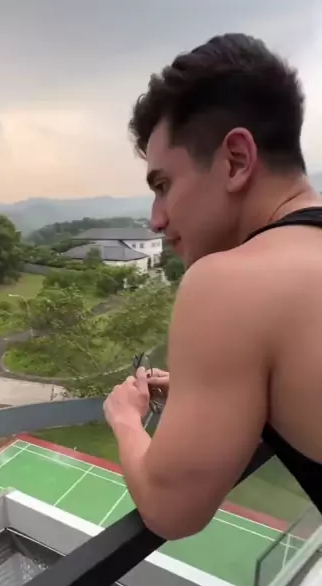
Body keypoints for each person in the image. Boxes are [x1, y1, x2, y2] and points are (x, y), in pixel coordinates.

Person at [103, 33, 322, 541]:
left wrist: (125, 418)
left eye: (163, 185)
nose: (156, 219)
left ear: (237, 160)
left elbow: (171, 510)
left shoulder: (229, 283)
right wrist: (204, 388)